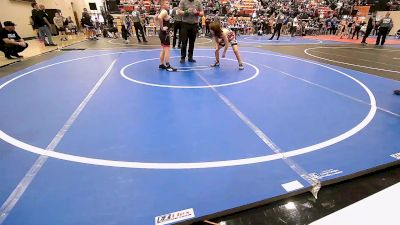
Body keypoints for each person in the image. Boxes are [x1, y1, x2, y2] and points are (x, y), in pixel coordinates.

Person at [157, 0, 177, 72]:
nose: (169, 4)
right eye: (167, 3)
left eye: (169, 3)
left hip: (163, 33)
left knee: (163, 49)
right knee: (167, 49)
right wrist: (162, 28)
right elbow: (159, 17)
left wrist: (161, 27)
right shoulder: (164, 11)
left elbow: (157, 18)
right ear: (162, 5)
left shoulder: (163, 11)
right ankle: (168, 66)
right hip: (164, 34)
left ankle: (161, 64)